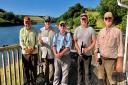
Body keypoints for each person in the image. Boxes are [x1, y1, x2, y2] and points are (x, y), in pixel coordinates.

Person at [95, 12, 123, 85]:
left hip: (111, 61)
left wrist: (119, 63)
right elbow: (97, 46)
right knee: (102, 78)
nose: (108, 19)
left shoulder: (118, 31)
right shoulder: (101, 32)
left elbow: (120, 47)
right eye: (106, 18)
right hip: (101, 60)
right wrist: (98, 57)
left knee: (111, 81)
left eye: (109, 18)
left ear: (112, 19)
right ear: (104, 20)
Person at [73, 13, 96, 85]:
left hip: (88, 55)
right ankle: (79, 83)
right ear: (80, 20)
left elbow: (94, 41)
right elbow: (75, 41)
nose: (83, 20)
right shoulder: (77, 29)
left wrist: (88, 48)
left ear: (87, 20)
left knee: (87, 72)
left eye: (85, 19)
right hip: (79, 54)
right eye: (82, 19)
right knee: (79, 71)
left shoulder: (91, 29)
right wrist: (78, 50)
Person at [52, 21, 72, 85]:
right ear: (58, 27)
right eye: (61, 25)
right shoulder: (56, 35)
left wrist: (61, 54)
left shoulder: (68, 35)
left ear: (65, 27)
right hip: (57, 56)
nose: (62, 27)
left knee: (65, 74)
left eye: (64, 25)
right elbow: (53, 45)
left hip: (66, 56)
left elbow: (68, 47)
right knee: (56, 73)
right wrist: (55, 54)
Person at [19, 16, 38, 85]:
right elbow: (21, 42)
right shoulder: (21, 30)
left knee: (33, 68)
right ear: (24, 23)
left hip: (34, 52)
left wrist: (33, 48)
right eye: (26, 22)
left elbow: (37, 41)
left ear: (30, 22)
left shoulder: (35, 30)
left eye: (28, 22)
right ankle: (28, 82)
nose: (27, 23)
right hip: (25, 53)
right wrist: (25, 49)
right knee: (26, 69)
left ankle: (34, 82)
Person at [38, 16, 55, 85]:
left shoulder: (54, 30)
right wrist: (40, 42)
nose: (47, 22)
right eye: (46, 21)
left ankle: (50, 81)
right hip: (44, 53)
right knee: (45, 68)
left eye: (48, 21)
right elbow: (38, 41)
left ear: (50, 22)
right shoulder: (40, 30)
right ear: (44, 22)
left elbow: (58, 39)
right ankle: (46, 81)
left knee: (52, 68)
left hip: (52, 53)